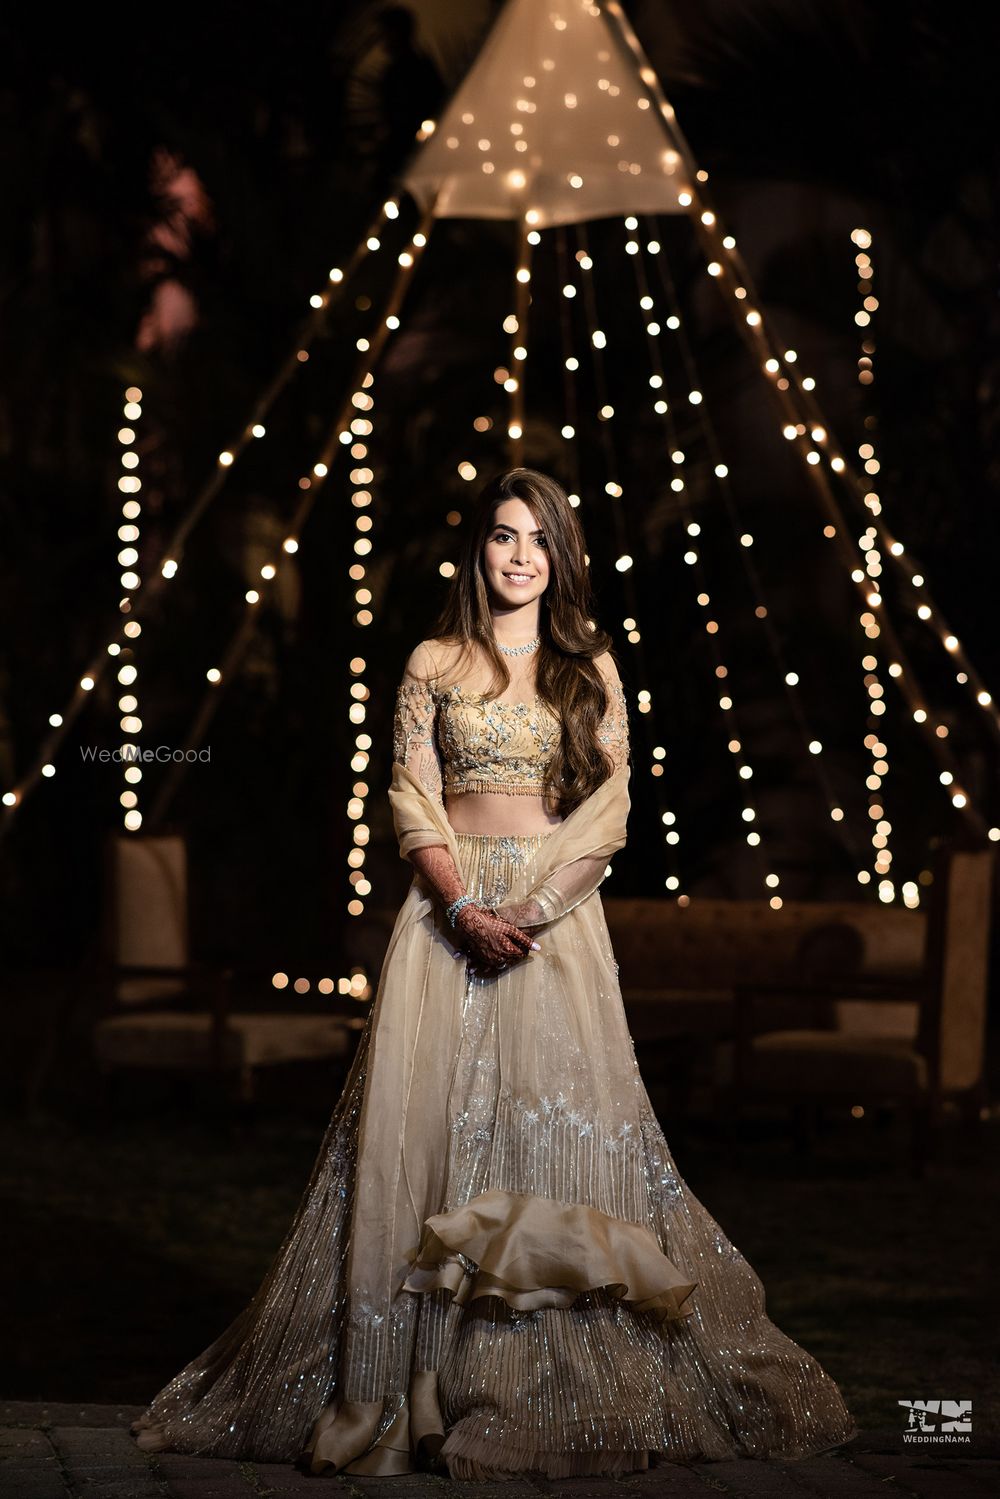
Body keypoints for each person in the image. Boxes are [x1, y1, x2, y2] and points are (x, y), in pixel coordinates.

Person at [130, 467, 857, 1479]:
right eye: (503, 536)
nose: (519, 555)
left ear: (560, 557)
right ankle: (405, 1383)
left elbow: (610, 810)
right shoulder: (432, 658)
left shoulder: (585, 660)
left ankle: (533, 1375)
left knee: (542, 1135)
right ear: (477, 549)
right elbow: (411, 796)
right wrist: (465, 904)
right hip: (443, 917)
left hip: (554, 921)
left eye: (539, 539)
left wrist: (534, 907)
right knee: (420, 1137)